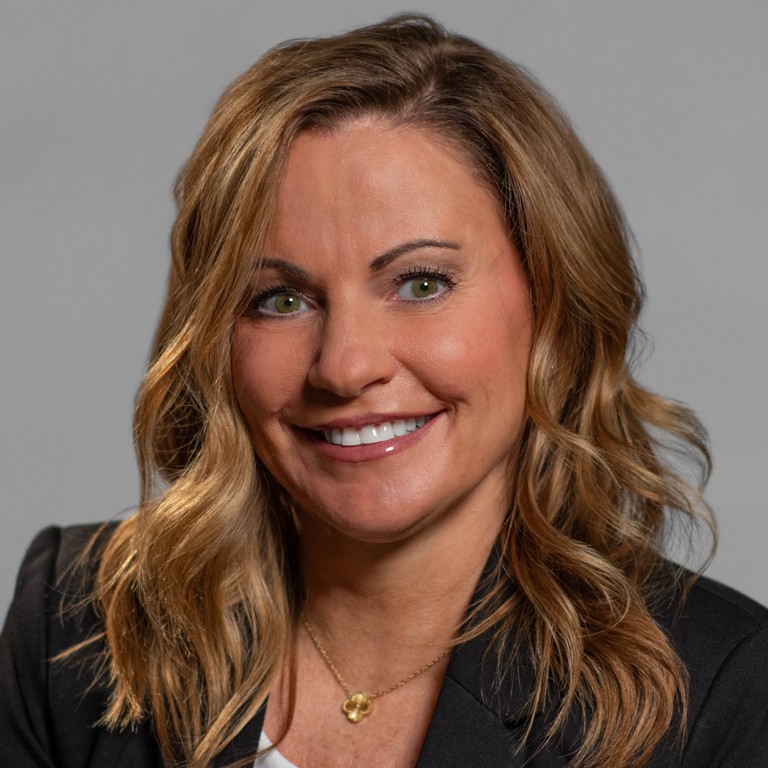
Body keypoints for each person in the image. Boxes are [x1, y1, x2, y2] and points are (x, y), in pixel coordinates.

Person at [1, 14, 766, 768]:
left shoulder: (722, 694)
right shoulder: (74, 623)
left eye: (421, 283)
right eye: (280, 299)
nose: (344, 366)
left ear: (551, 306)